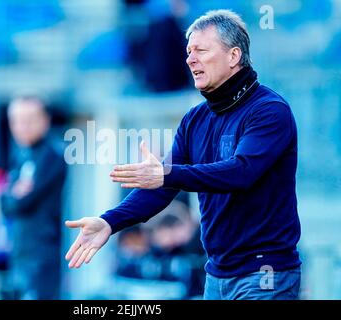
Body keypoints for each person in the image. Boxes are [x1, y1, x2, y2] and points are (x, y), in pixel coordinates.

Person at [65, 9, 302, 300]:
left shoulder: (269, 110)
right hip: (216, 275)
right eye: (189, 51)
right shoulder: (195, 120)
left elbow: (241, 172)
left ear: (234, 56)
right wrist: (109, 221)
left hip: (264, 274)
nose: (190, 59)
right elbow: (161, 188)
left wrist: (167, 174)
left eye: (201, 50)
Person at [1, 96, 67, 300]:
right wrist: (13, 196)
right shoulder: (21, 155)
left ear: (45, 120)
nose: (22, 127)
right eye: (17, 120)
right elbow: (5, 203)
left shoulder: (51, 155)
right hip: (19, 253)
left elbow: (21, 201)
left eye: (29, 119)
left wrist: (14, 196)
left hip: (41, 257)